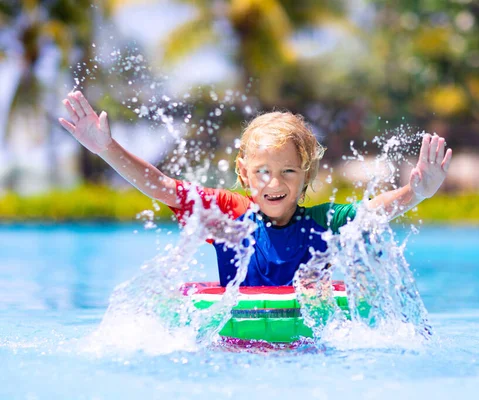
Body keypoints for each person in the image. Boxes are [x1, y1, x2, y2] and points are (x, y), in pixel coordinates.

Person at [59, 91, 452, 286]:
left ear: (306, 175)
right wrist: (106, 148)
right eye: (262, 172)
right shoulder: (231, 215)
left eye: (288, 172)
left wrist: (417, 192)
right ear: (244, 174)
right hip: (234, 351)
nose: (275, 183)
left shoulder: (324, 222)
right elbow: (163, 187)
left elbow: (373, 210)